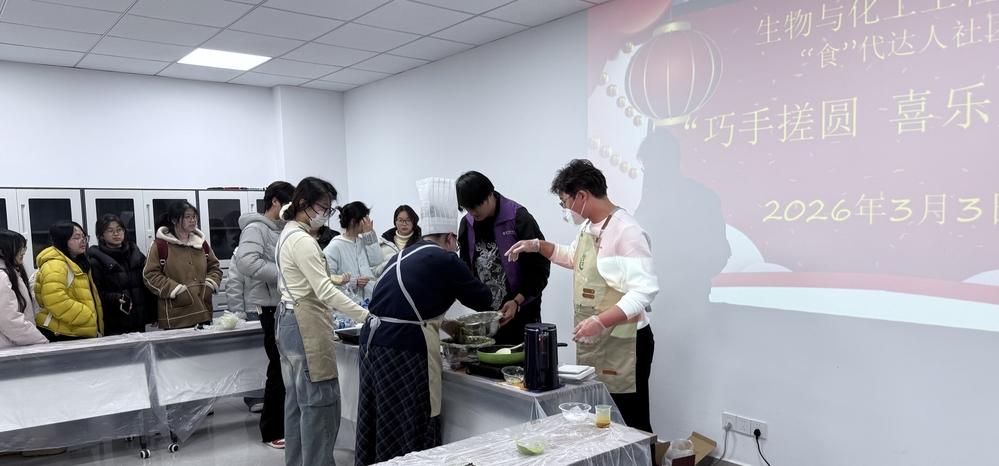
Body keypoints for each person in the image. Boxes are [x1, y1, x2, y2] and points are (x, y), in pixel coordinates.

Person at [506, 159, 659, 433]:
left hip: (626, 343)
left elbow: (644, 291)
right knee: (602, 418)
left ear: (581, 196)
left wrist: (600, 321)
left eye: (564, 202)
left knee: (630, 422)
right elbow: (573, 257)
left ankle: (643, 455)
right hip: (600, 339)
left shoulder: (627, 231)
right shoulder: (589, 226)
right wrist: (538, 246)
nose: (564, 209)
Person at [355, 178, 493, 465]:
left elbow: (409, 302)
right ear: (450, 238)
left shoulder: (404, 254)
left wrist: (444, 322)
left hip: (371, 343)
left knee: (379, 419)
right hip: (402, 350)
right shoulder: (446, 259)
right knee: (408, 420)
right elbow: (483, 299)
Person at [275, 177, 370, 466]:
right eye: (323, 208)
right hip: (305, 325)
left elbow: (307, 278)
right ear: (303, 203)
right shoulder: (303, 240)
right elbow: (324, 292)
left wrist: (335, 279)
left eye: (329, 209)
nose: (326, 215)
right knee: (319, 405)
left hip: (289, 320)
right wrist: (366, 316)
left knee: (297, 404)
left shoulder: (289, 232)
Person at [233, 180, 295, 449]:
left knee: (288, 368)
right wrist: (287, 274)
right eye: (289, 203)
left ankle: (288, 424)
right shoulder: (256, 228)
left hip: (286, 304)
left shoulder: (285, 228)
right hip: (271, 307)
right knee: (278, 369)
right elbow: (247, 262)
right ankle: (271, 430)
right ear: (275, 202)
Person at [456, 171, 550, 345]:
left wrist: (517, 301)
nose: (473, 212)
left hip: (522, 311)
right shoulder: (467, 224)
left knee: (521, 358)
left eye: (476, 206)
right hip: (487, 318)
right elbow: (465, 268)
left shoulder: (518, 218)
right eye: (468, 208)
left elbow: (540, 270)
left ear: (490, 194)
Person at [143, 201, 222, 329]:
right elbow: (150, 275)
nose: (193, 220)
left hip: (203, 310)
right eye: (187, 217)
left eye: (194, 216)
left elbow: (214, 267)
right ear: (174, 220)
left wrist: (209, 285)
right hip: (176, 315)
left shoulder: (201, 243)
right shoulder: (160, 245)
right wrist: (177, 291)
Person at [33, 221, 104, 341]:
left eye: (84, 237)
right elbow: (55, 300)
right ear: (62, 240)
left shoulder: (78, 261)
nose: (83, 241)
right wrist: (86, 315)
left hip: (75, 328)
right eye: (76, 238)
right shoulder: (56, 264)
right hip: (63, 332)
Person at [88, 214, 157, 335]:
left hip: (139, 320)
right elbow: (95, 293)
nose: (116, 234)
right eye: (110, 231)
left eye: (119, 229)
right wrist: (115, 298)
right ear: (101, 236)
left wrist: (154, 313)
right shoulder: (96, 261)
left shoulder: (135, 254)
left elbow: (146, 285)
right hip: (114, 322)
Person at [323, 202, 384, 304]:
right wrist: (353, 282)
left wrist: (369, 234)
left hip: (369, 302)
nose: (367, 223)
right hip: (347, 305)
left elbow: (377, 260)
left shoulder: (364, 241)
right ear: (353, 222)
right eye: (364, 220)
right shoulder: (335, 246)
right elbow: (327, 279)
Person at [0, 229, 48, 348]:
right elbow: (9, 319)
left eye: (24, 248)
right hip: (8, 346)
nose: (23, 253)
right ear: (2, 251)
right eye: (19, 249)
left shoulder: (12, 272)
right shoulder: (2, 277)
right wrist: (40, 340)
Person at [372, 205, 421, 277]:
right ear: (395, 221)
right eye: (400, 220)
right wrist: (392, 263)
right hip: (391, 282)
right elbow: (375, 272)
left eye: (408, 220)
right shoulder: (384, 243)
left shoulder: (422, 242)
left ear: (414, 221)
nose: (404, 224)